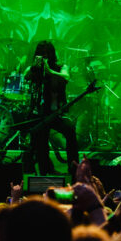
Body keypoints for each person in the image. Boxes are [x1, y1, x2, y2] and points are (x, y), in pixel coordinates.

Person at [24, 40, 79, 173]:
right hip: (39, 114)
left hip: (56, 113)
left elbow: (66, 77)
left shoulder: (61, 67)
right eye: (41, 54)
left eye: (47, 54)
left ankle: (74, 168)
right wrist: (35, 68)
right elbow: (26, 76)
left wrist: (50, 72)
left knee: (70, 131)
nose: (45, 57)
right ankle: (45, 171)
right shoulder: (34, 69)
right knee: (41, 144)